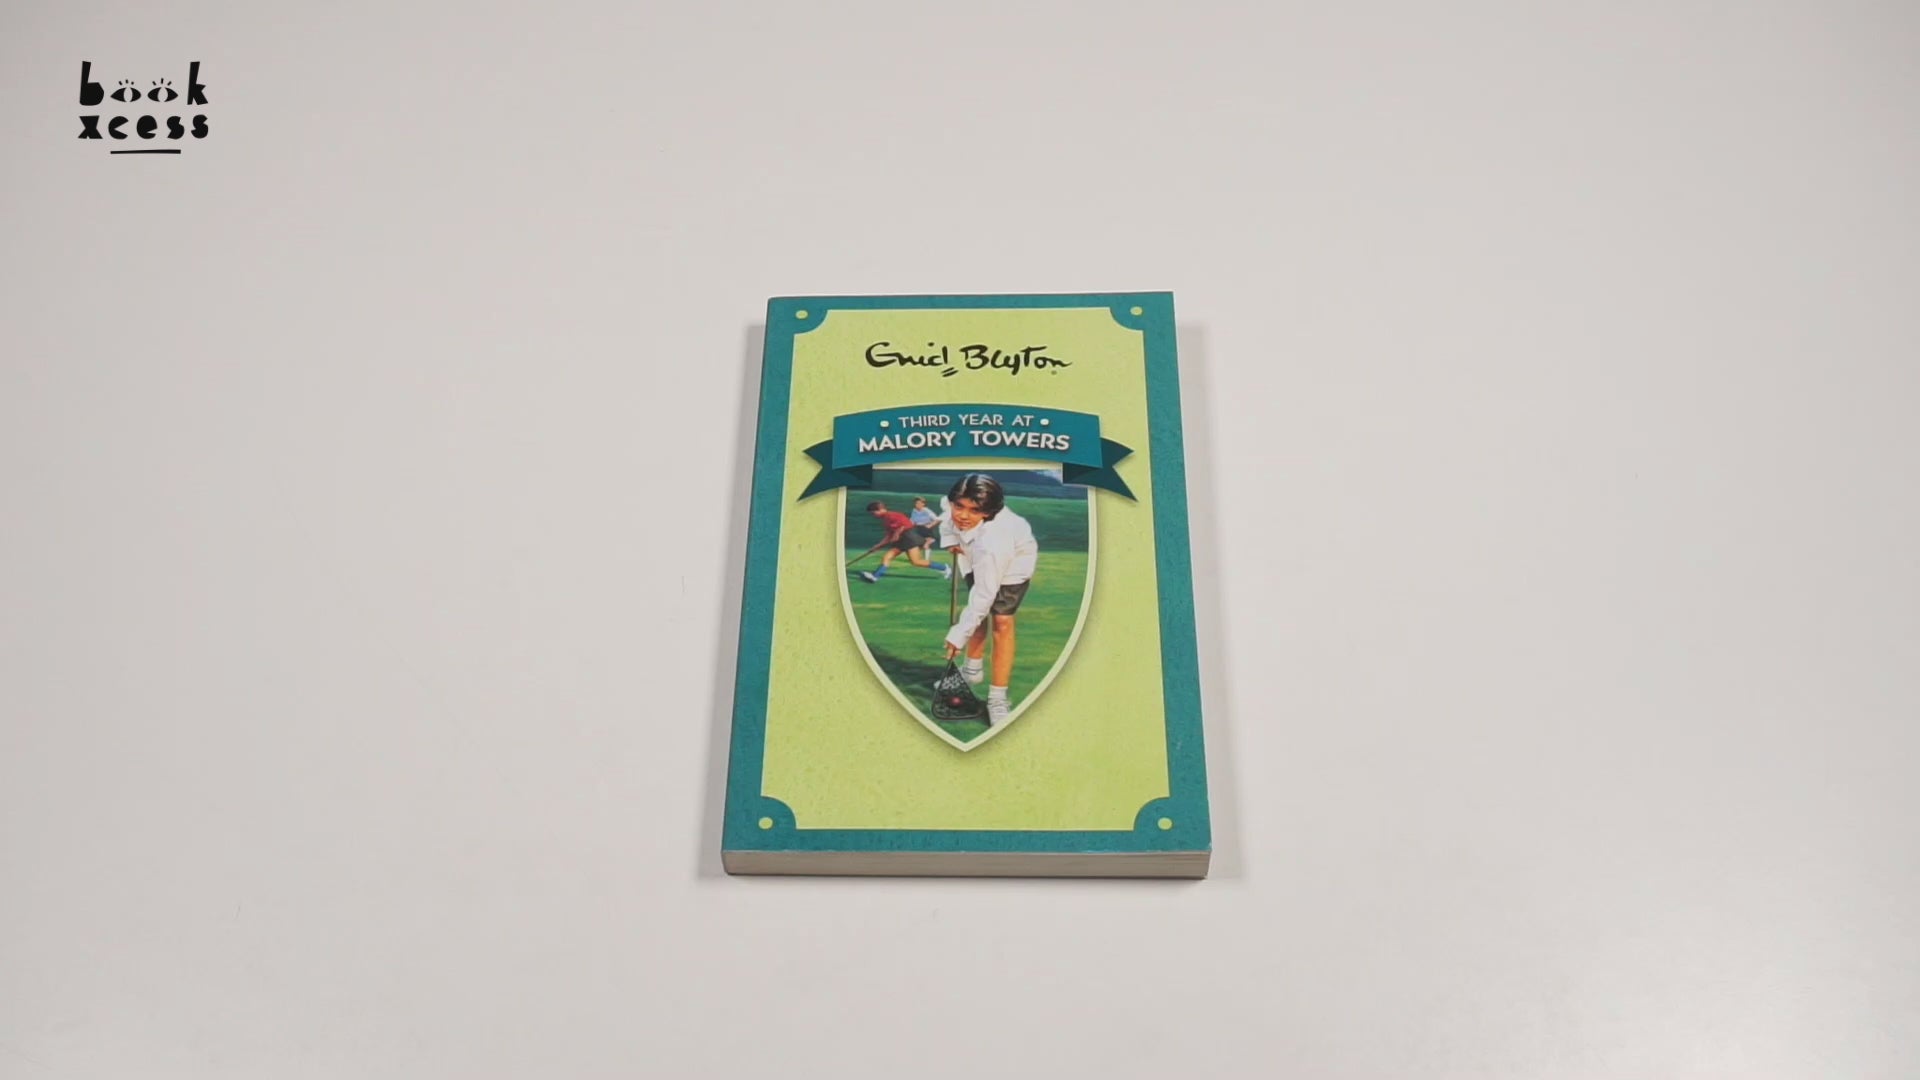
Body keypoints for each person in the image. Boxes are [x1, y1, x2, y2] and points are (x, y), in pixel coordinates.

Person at [938, 474, 1037, 728]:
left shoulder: (994, 540)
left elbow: (985, 594)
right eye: (959, 506)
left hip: (1014, 563)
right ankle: (972, 670)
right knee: (977, 614)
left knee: (1001, 621)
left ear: (989, 511)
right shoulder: (952, 507)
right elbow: (946, 513)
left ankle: (997, 698)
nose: (963, 515)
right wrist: (950, 540)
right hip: (976, 558)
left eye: (974, 510)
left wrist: (958, 635)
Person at [857, 500, 950, 584]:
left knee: (916, 562)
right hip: (901, 541)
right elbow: (889, 536)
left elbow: (906, 525)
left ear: (880, 509)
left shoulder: (893, 515)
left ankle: (945, 568)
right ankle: (875, 576)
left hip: (909, 538)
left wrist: (897, 533)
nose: (873, 515)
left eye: (873, 513)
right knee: (887, 557)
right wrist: (877, 546)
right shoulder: (885, 520)